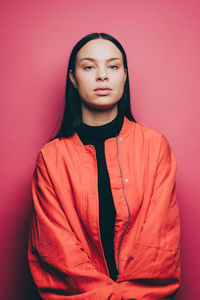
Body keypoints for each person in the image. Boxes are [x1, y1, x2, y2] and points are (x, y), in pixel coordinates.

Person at [28, 32, 181, 300]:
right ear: (73, 78)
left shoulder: (155, 146)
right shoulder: (51, 158)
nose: (102, 75)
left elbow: (160, 244)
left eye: (113, 66)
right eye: (89, 67)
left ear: (124, 75)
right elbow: (56, 252)